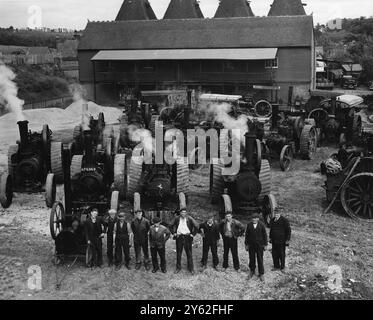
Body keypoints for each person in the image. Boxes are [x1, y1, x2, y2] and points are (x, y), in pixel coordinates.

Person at [171, 208, 199, 275]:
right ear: (180, 213)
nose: (183, 214)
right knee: (179, 253)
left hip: (187, 237)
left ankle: (191, 268)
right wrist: (174, 233)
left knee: (189, 253)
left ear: (186, 213)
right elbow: (170, 225)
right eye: (182, 212)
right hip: (179, 237)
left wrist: (193, 234)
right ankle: (178, 268)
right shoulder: (177, 218)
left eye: (184, 212)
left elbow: (197, 226)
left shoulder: (189, 218)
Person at [245, 214, 268, 282]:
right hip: (251, 245)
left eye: (255, 218)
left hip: (259, 245)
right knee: (251, 258)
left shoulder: (262, 225)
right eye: (253, 218)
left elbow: (265, 235)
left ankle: (261, 273)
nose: (254, 219)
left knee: (260, 259)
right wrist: (246, 244)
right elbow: (247, 235)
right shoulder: (249, 225)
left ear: (258, 219)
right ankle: (252, 271)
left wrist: (265, 245)